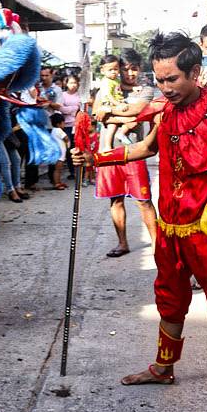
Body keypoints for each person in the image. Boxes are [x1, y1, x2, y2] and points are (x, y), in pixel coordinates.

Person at [73, 31, 207, 412]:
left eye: (171, 79)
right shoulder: (167, 110)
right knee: (169, 298)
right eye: (159, 80)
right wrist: (98, 158)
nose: (165, 88)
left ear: (195, 72)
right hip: (171, 228)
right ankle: (163, 368)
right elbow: (145, 148)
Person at [93, 49, 158, 257]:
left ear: (140, 69)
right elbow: (96, 115)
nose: (130, 73)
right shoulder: (107, 86)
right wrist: (123, 118)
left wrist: (110, 113)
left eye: (134, 69)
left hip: (134, 151)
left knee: (143, 200)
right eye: (125, 69)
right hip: (109, 151)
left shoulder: (145, 90)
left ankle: (157, 245)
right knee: (115, 199)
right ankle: (122, 243)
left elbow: (139, 112)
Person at [97, 55, 132, 149]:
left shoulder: (116, 80)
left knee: (118, 124)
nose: (113, 72)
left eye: (116, 69)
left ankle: (121, 134)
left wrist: (133, 88)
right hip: (110, 105)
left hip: (116, 103)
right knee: (113, 126)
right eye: (110, 70)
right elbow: (109, 96)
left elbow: (122, 87)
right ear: (102, 71)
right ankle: (108, 146)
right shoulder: (106, 82)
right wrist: (118, 104)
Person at [60, 75, 81, 178]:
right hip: (66, 125)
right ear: (66, 84)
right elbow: (61, 109)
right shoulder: (62, 95)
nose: (73, 85)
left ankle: (80, 171)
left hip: (78, 125)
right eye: (70, 83)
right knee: (69, 149)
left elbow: (82, 110)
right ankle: (72, 171)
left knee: (79, 147)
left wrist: (69, 109)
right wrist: (74, 108)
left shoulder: (80, 95)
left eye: (75, 83)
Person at [50, 113, 69, 190]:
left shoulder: (54, 130)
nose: (64, 124)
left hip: (58, 154)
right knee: (57, 170)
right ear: (59, 124)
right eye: (63, 123)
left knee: (58, 169)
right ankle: (57, 183)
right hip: (59, 155)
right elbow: (66, 138)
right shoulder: (59, 130)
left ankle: (58, 181)